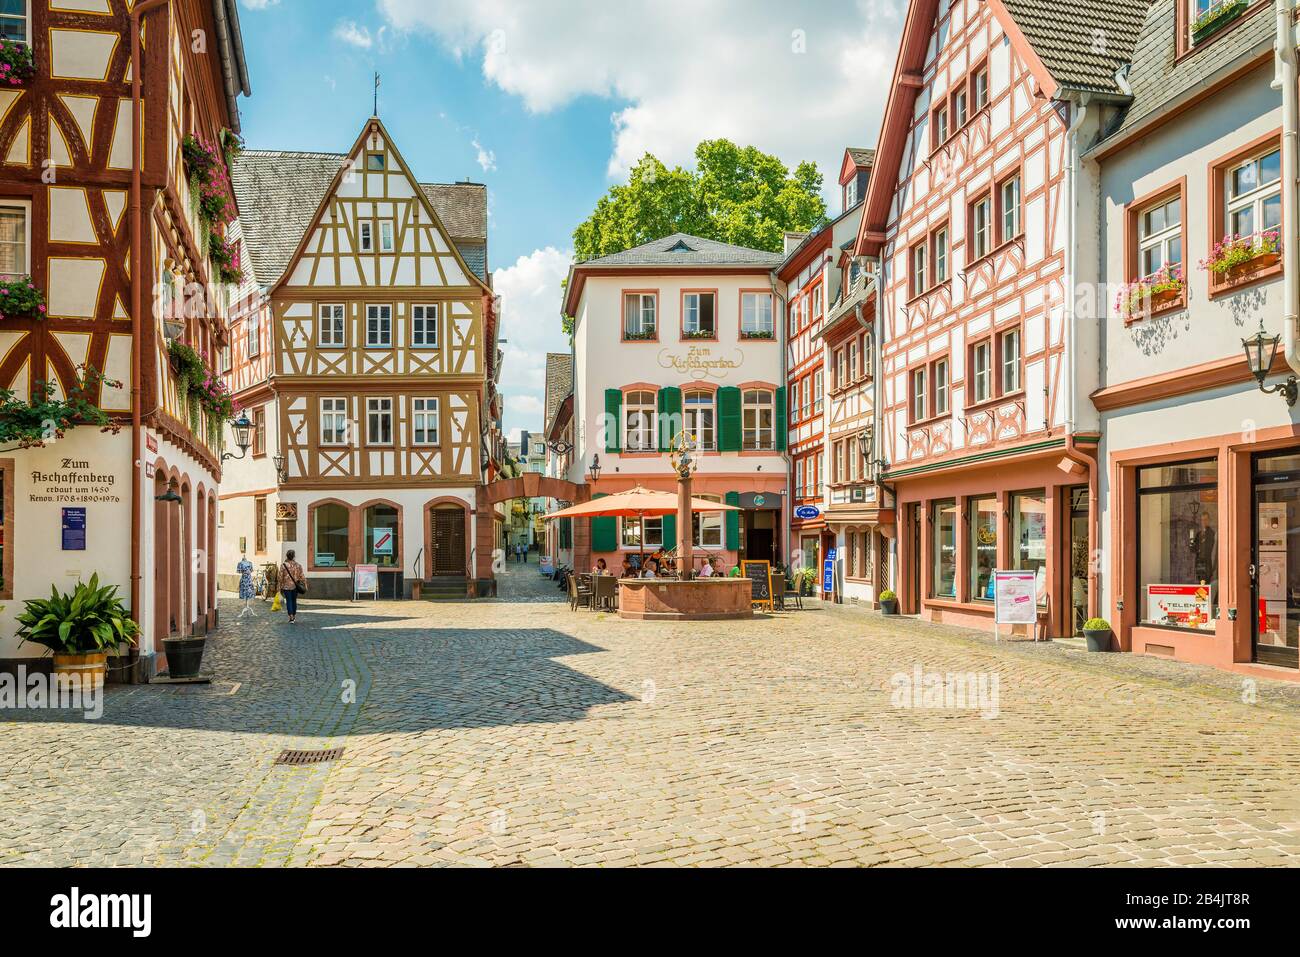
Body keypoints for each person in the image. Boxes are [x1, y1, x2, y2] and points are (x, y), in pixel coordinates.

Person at [279, 550, 307, 624]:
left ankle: (291, 616)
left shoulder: (283, 565)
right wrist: (305, 584)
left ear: (287, 556)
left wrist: (280, 586)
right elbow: (302, 576)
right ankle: (294, 615)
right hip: (295, 586)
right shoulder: (298, 565)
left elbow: (280, 577)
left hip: (286, 587)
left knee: (289, 601)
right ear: (294, 556)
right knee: (294, 600)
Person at [237, 554, 256, 618]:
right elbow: (251, 570)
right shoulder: (248, 563)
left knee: (246, 592)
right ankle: (246, 607)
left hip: (245, 579)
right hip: (248, 579)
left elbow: (239, 571)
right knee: (248, 591)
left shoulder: (240, 563)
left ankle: (247, 607)